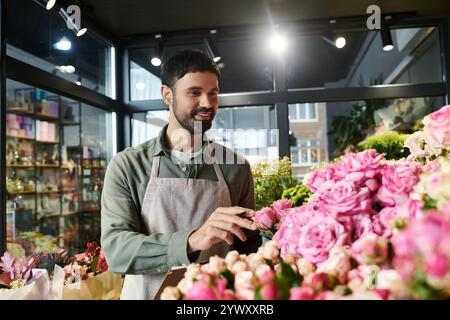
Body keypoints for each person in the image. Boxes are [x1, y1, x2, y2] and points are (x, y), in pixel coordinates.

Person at [101, 49, 262, 300]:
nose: (207, 103)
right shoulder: (128, 166)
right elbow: (117, 250)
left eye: (213, 93)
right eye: (195, 93)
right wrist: (192, 240)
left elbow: (247, 248)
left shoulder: (237, 167)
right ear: (167, 95)